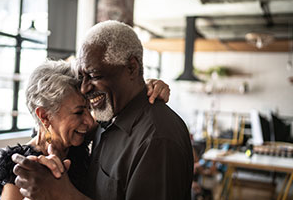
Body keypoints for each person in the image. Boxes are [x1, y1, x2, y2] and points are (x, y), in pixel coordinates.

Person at [12, 20, 193, 200]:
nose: (84, 88)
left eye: (95, 76)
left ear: (131, 68)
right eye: (82, 77)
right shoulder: (109, 119)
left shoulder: (157, 139)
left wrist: (64, 195)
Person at [0, 59, 170, 200]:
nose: (90, 120)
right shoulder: (21, 171)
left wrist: (146, 87)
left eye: (89, 108)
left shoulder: (83, 140)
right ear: (44, 116)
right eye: (78, 112)